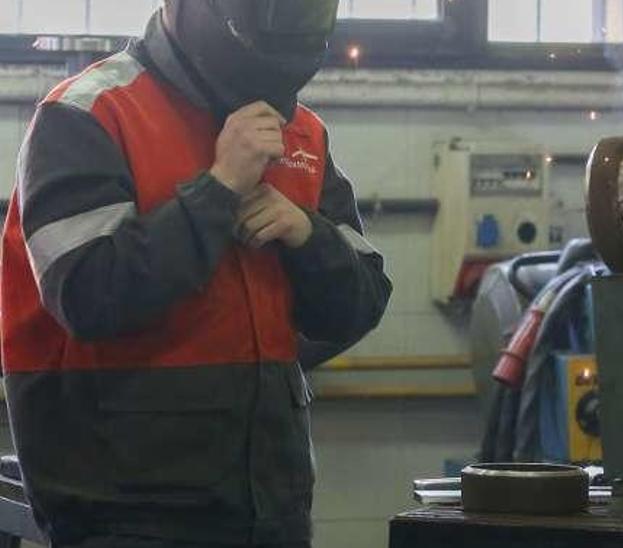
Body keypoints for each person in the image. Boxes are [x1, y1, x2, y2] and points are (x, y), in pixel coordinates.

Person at [0, 0, 392, 546]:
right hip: (126, 518)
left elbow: (363, 299)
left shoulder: (299, 133)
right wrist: (217, 191)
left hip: (272, 513)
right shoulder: (90, 114)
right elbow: (87, 295)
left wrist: (308, 235)